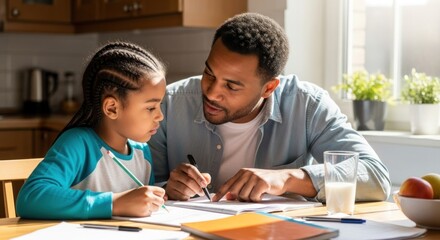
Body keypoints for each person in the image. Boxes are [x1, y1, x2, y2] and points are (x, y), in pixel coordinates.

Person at [149, 12, 391, 203]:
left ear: (269, 88)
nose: (211, 93)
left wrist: (287, 178)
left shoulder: (307, 104)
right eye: (209, 74)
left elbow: (375, 176)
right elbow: (134, 184)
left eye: (232, 87)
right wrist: (166, 189)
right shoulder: (169, 104)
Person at [16, 41, 167, 219]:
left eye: (160, 105)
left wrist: (162, 195)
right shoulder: (78, 144)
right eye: (151, 108)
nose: (160, 116)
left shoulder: (142, 152)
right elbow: (31, 197)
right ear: (112, 108)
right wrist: (114, 203)